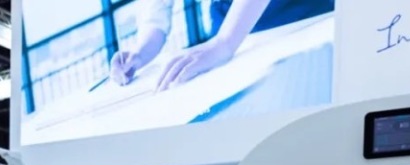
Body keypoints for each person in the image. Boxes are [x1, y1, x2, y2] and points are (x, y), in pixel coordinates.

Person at [110, 0, 333, 91]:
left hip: (303, 15)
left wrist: (225, 42)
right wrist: (141, 51)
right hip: (230, 24)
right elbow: (156, 11)